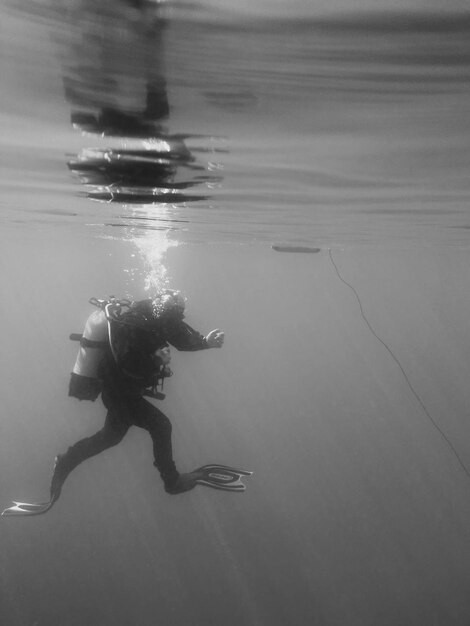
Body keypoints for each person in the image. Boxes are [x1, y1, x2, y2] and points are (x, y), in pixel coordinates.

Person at [52, 289, 226, 500]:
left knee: (110, 437)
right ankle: (172, 481)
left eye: (176, 316)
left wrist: (205, 342)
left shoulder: (164, 319)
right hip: (118, 392)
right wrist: (156, 359)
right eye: (172, 315)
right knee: (161, 426)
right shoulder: (135, 322)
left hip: (128, 393)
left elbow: (181, 339)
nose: (174, 322)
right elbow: (126, 362)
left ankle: (67, 459)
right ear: (161, 307)